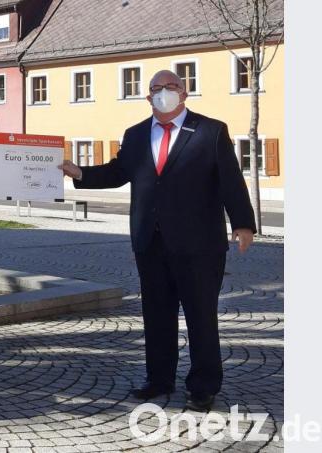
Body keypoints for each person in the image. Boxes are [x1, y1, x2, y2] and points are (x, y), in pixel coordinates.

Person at [59, 70, 256, 411]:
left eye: (171, 87)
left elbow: (230, 180)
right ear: (147, 97)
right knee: (157, 314)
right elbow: (118, 171)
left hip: (199, 245)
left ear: (184, 92)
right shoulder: (136, 135)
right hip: (151, 242)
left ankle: (203, 385)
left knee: (201, 316)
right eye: (156, 88)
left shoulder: (210, 131)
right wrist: (81, 173)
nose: (164, 92)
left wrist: (243, 223)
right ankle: (159, 379)